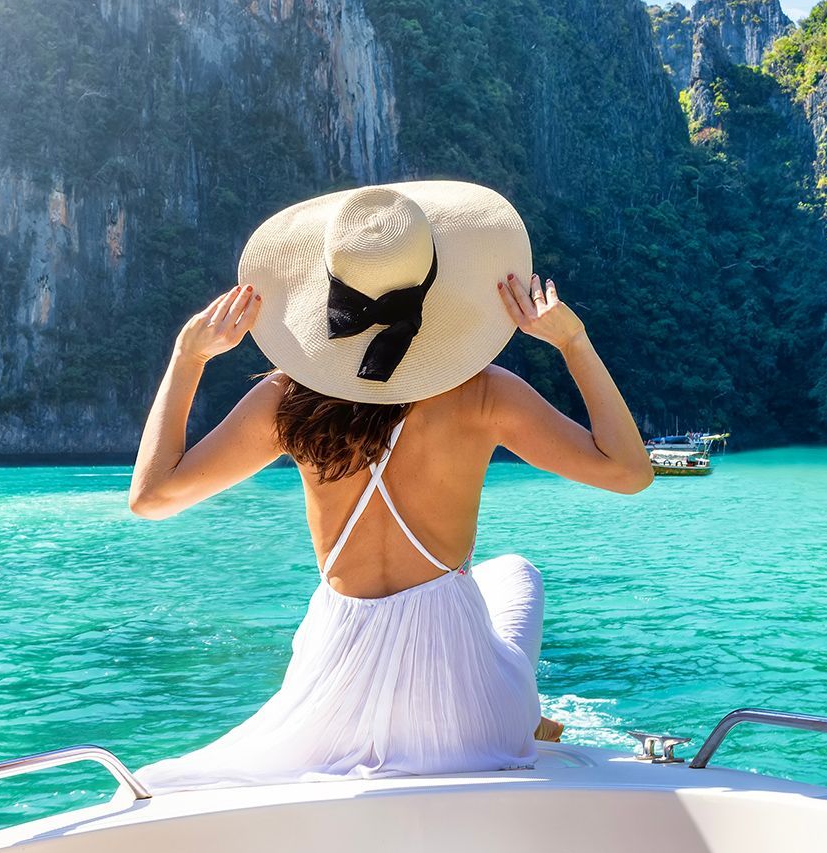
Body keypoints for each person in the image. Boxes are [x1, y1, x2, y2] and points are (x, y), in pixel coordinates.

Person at [126, 181, 653, 790]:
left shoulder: (286, 403)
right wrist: (571, 340)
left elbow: (151, 496)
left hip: (330, 704)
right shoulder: (482, 394)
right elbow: (628, 471)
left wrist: (187, 357)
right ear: (438, 283)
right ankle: (528, 715)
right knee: (514, 574)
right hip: (466, 716)